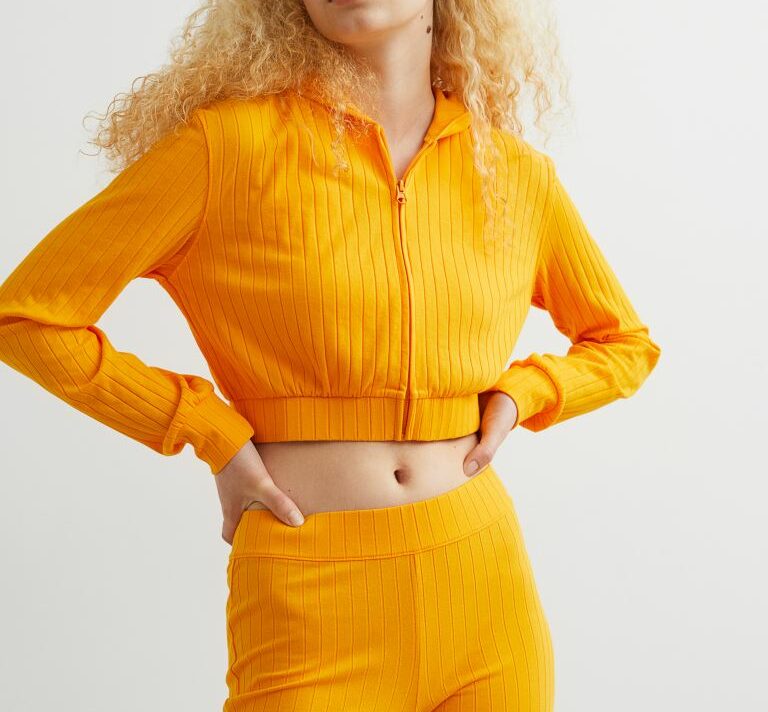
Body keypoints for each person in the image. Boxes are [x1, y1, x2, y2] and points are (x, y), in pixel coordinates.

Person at [0, 1, 661, 710]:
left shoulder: (513, 173)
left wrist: (524, 393)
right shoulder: (228, 147)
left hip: (483, 587)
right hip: (310, 588)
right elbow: (27, 316)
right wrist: (204, 428)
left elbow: (623, 343)